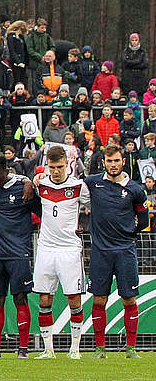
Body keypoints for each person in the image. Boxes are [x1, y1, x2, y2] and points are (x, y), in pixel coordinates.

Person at [85, 144, 147, 358]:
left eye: (116, 161)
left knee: (129, 299)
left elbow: (144, 220)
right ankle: (100, 349)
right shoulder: (93, 183)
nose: (113, 165)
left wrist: (129, 234)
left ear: (123, 161)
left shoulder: (135, 189)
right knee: (99, 300)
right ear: (104, 162)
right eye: (109, 161)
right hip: (100, 252)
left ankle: (131, 349)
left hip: (124, 251)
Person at [0, 153, 37, 359]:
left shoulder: (23, 187)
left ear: (7, 170)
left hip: (18, 252)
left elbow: (40, 210)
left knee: (20, 297)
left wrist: (29, 181)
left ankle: (23, 349)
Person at [33, 145, 88, 359]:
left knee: (73, 299)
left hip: (69, 249)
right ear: (47, 165)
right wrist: (35, 179)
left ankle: (75, 349)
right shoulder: (41, 183)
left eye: (60, 166)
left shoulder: (78, 186)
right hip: (46, 247)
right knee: (44, 299)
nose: (56, 171)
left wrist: (82, 224)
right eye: (52, 166)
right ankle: (49, 350)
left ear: (67, 165)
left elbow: (94, 206)